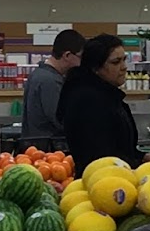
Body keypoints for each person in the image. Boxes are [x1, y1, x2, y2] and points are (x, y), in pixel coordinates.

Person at [57, 34, 139, 173]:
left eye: (124, 60)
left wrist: (141, 157)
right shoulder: (88, 101)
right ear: (96, 68)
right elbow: (100, 154)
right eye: (115, 62)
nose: (124, 67)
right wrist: (138, 164)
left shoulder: (109, 96)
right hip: (101, 178)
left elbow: (122, 147)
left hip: (116, 175)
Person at [22, 29, 86, 148]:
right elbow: (61, 120)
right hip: (49, 149)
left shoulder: (38, 74)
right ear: (67, 55)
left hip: (36, 147)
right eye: (81, 57)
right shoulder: (50, 81)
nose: (82, 63)